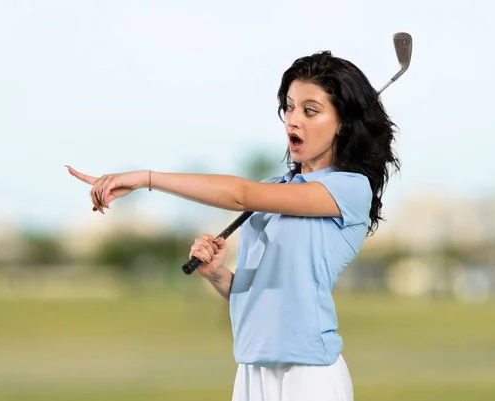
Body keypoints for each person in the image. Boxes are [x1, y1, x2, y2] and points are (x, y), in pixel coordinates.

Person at [66, 50, 400, 401]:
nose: (292, 120)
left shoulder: (348, 188)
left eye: (310, 111)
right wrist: (217, 274)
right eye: (289, 107)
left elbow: (239, 195)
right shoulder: (276, 188)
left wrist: (146, 178)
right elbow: (266, 291)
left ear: (343, 123)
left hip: (309, 374)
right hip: (252, 368)